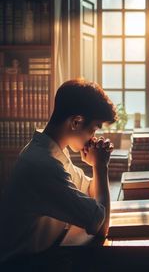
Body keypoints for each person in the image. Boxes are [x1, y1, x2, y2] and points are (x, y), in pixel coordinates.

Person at [0, 78, 117, 262]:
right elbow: (100, 226)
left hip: (43, 256)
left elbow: (90, 193)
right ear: (76, 122)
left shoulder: (52, 151)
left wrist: (96, 164)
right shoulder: (43, 165)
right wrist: (101, 167)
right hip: (23, 265)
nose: (93, 138)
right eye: (93, 130)